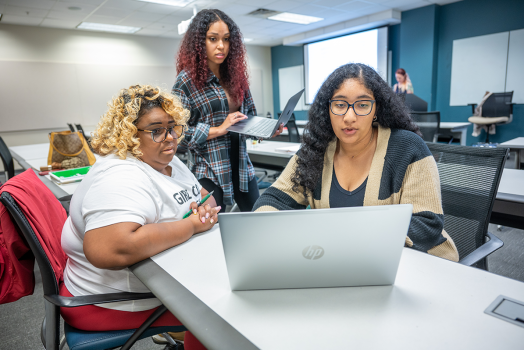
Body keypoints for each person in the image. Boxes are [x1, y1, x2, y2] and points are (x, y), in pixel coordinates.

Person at [60, 84, 218, 350]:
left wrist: (203, 209)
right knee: (221, 312)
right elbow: (108, 250)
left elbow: (205, 198)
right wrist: (190, 226)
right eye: (156, 130)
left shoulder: (165, 158)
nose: (169, 137)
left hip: (158, 281)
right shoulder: (120, 174)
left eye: (172, 126)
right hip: (111, 301)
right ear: (129, 135)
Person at [253, 63, 459, 262]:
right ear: (328, 109)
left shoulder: (407, 148)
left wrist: (347, 236)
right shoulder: (316, 151)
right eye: (340, 105)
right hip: (341, 263)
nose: (349, 117)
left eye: (362, 105)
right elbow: (270, 202)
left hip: (416, 264)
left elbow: (427, 224)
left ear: (376, 109)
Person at [172, 9, 283, 213]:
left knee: (258, 218)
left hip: (240, 164)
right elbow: (176, 135)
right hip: (209, 168)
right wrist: (218, 129)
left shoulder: (236, 77)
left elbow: (248, 120)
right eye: (213, 39)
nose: (221, 46)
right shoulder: (186, 82)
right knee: (215, 229)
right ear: (199, 42)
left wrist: (267, 130)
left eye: (226, 39)